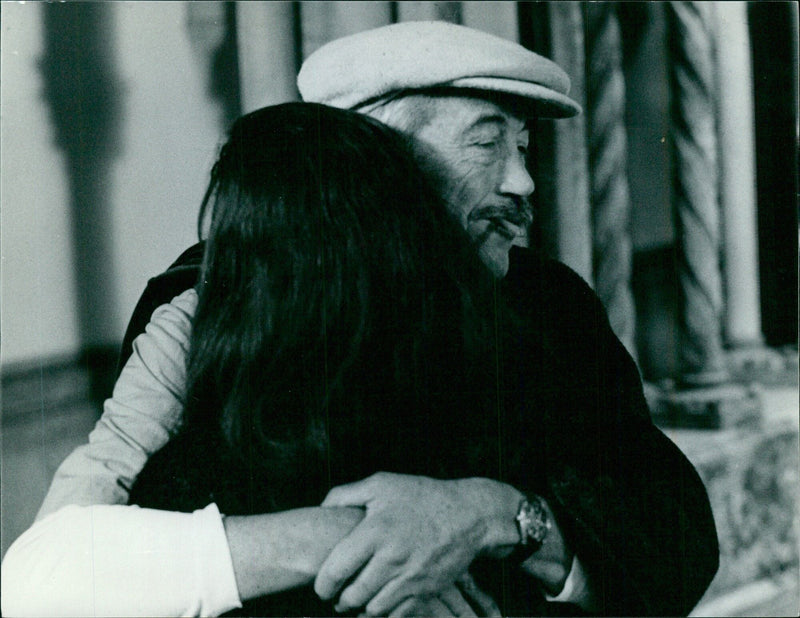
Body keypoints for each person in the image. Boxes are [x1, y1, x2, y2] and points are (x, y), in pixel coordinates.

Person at [1, 21, 719, 617]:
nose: (523, 181)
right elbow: (62, 563)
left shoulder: (549, 305)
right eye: (486, 141)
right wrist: (360, 541)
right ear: (378, 159)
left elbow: (675, 534)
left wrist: (491, 516)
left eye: (524, 146)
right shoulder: (213, 305)